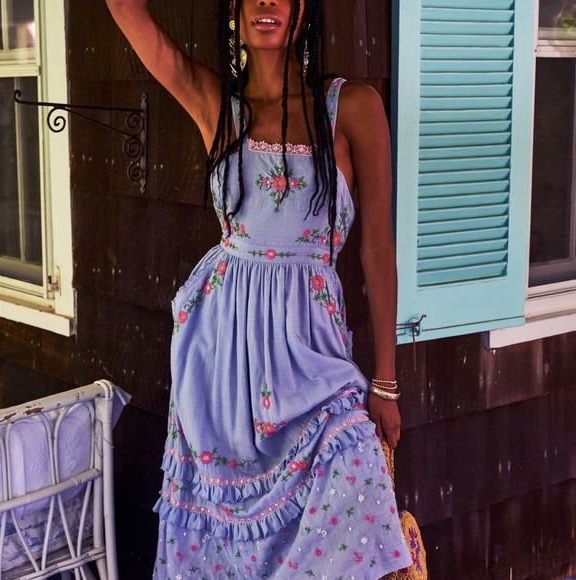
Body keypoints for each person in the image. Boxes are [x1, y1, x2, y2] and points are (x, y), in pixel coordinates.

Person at [106, 0, 412, 577]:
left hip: (312, 356)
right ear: (234, 9)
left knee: (354, 476)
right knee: (225, 545)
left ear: (303, 9)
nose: (267, 1)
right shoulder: (215, 103)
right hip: (222, 360)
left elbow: (377, 249)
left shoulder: (352, 107)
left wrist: (386, 382)